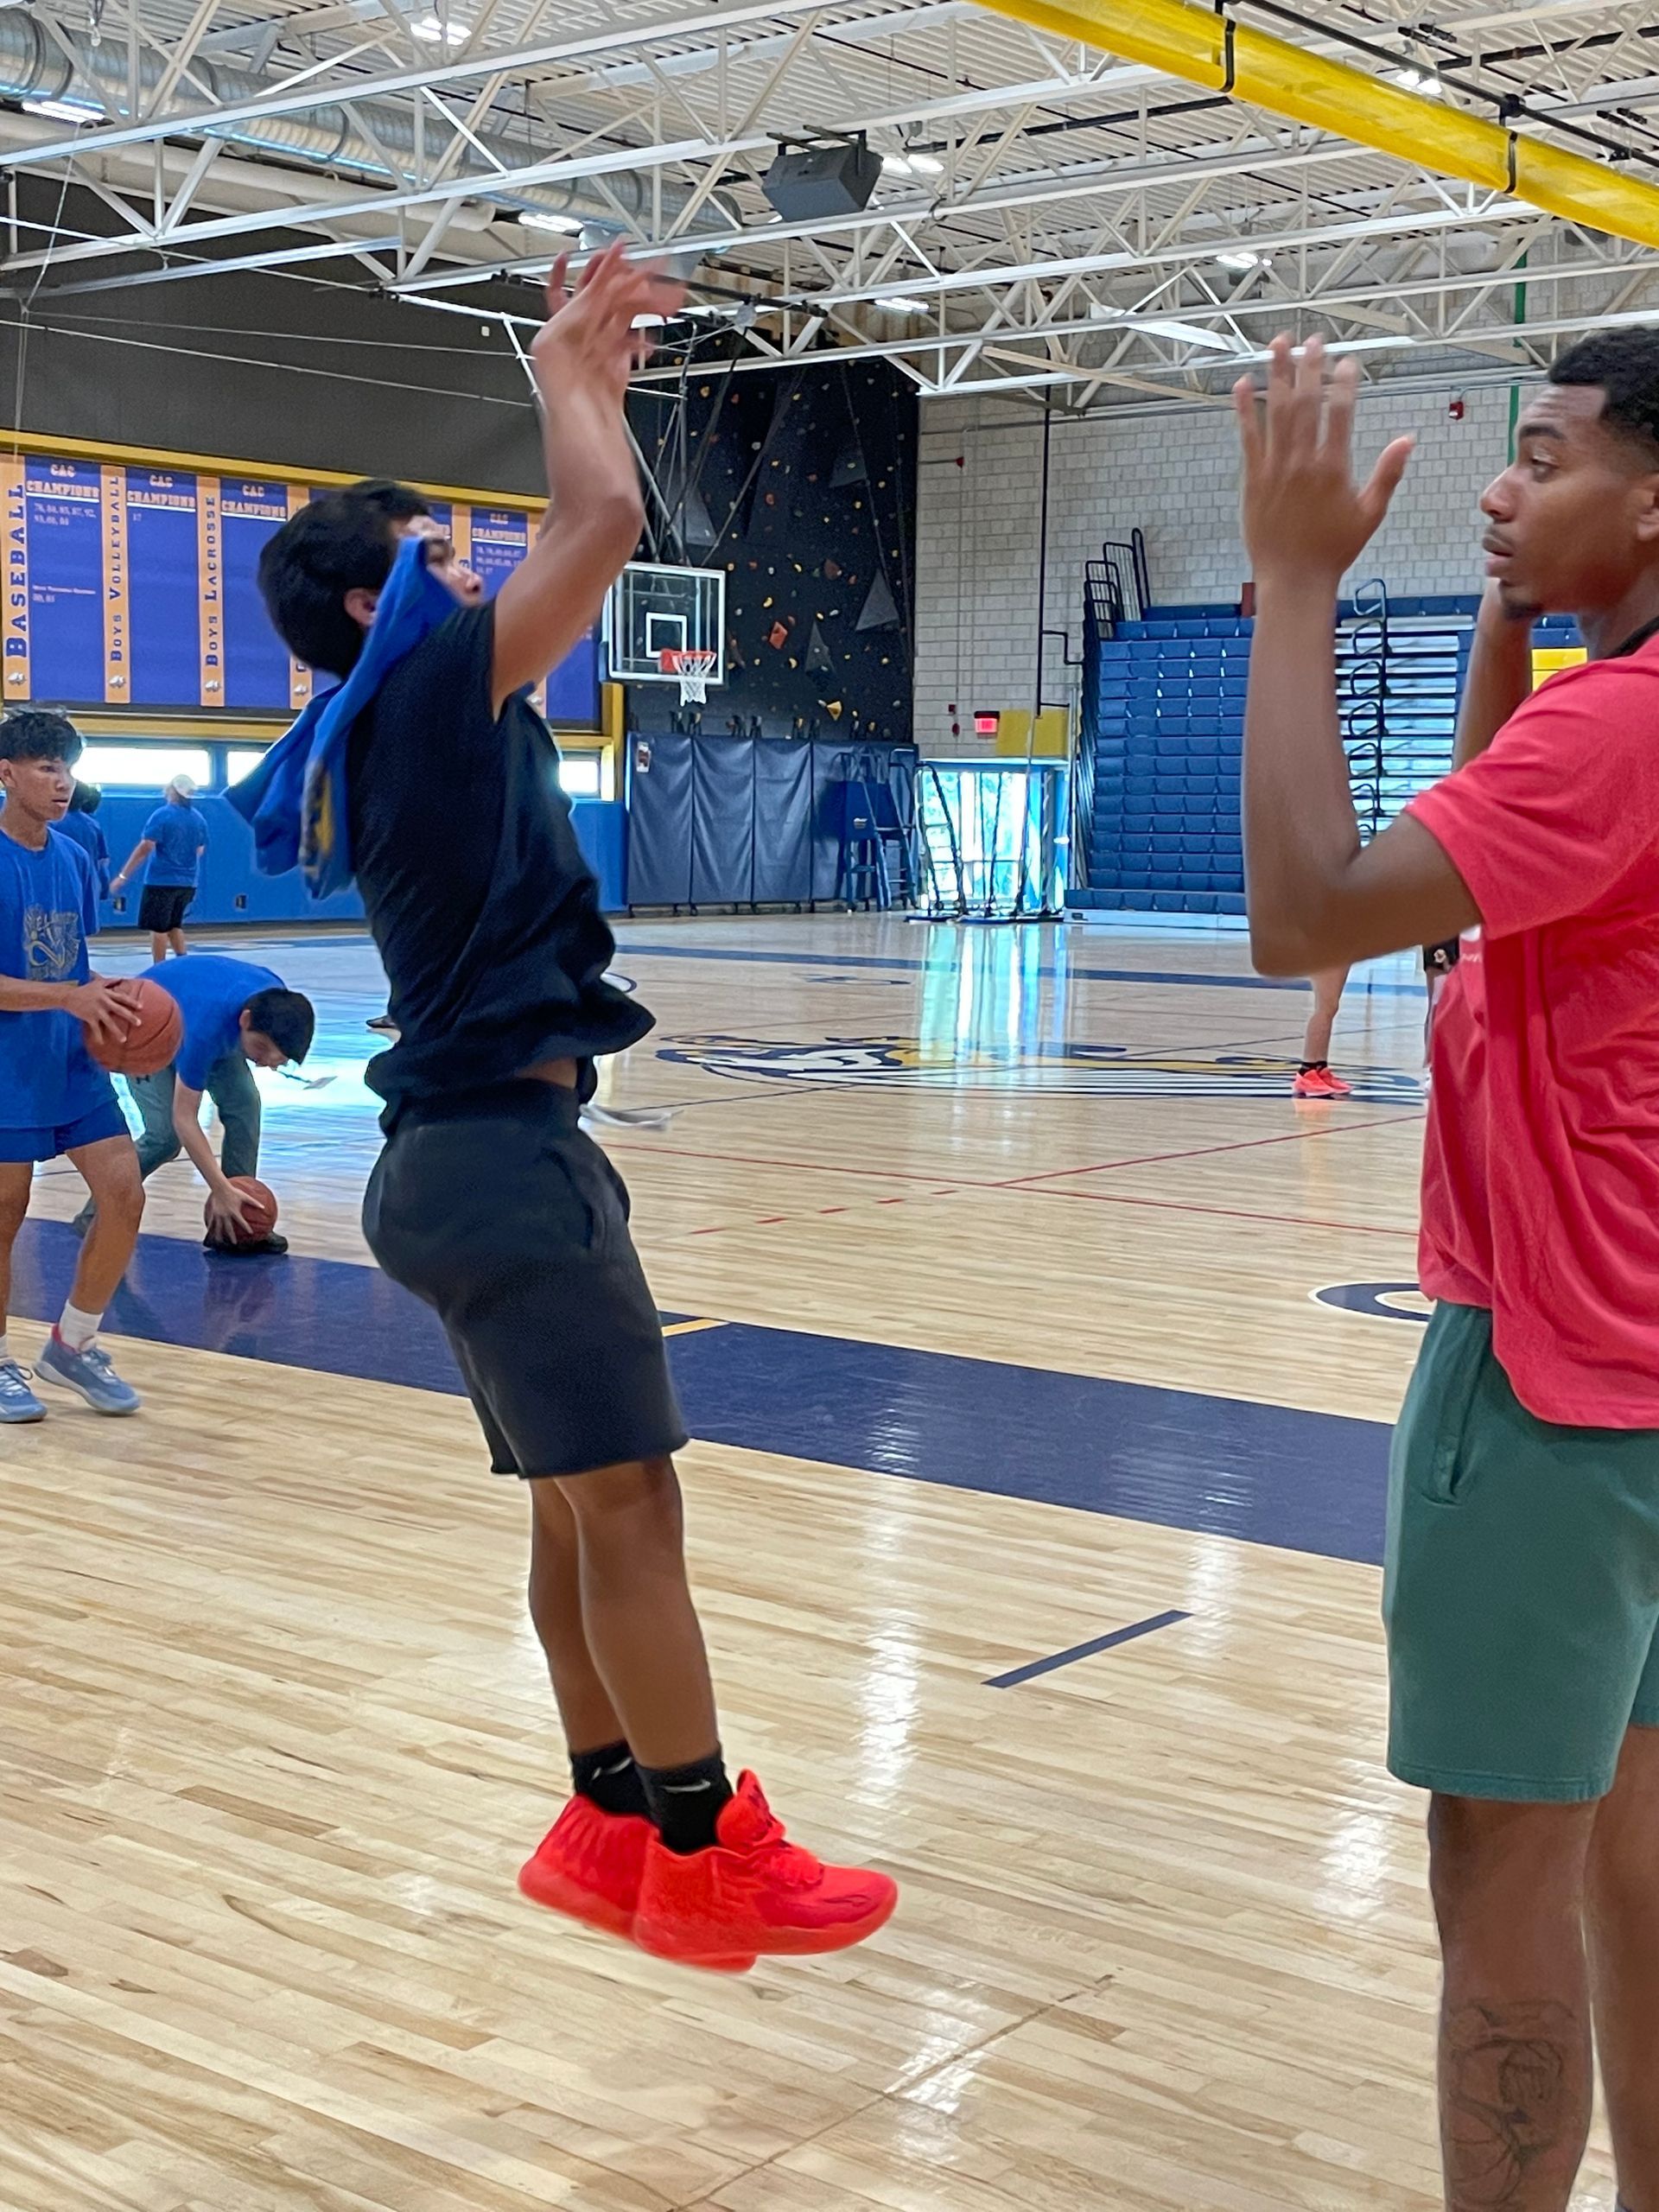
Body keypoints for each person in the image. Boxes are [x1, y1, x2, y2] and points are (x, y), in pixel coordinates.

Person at [244, 245, 896, 1973]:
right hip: (501, 1168)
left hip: (455, 1165)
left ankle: (608, 1815)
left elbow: (573, 537)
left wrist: (591, 387)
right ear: (390, 602)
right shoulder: (426, 694)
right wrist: (568, 379)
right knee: (632, 1514)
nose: (476, 566)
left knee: (572, 1507)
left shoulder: (401, 717)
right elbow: (601, 526)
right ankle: (697, 1849)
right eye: (440, 555)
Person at [1234, 326, 1659, 2212]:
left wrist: (1295, 575)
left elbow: (1306, 910)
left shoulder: (1617, 735)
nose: (1500, 484)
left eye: (1546, 458)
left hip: (1555, 1389)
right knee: (1644, 1875)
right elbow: (1491, 880)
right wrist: (1523, 615)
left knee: (1506, 1885)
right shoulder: (1609, 729)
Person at [0, 710, 145, 1421]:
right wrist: (67, 994)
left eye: (67, 769)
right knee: (5, 1215)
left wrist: (106, 995)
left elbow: (65, 961)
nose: (62, 783)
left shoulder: (73, 858)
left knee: (124, 1192)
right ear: (7, 774)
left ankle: (72, 1345)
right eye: (45, 768)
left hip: (70, 1062)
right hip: (5, 1067)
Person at [70, 952, 314, 1256]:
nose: (265, 1062)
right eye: (261, 1050)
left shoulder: (275, 1001)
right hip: (144, 1030)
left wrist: (229, 1190)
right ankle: (95, 1215)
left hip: (202, 1018)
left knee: (246, 1106)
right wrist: (219, 1188)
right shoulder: (206, 1029)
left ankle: (239, 1223)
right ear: (246, 1019)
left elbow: (259, 1042)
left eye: (276, 1060)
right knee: (164, 1138)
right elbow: (184, 1118)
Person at [112, 772, 209, 958]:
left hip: (161, 880)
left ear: (172, 790)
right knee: (174, 925)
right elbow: (200, 850)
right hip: (188, 883)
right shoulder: (199, 819)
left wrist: (123, 875)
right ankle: (183, 962)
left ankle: (159, 968)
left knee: (158, 929)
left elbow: (145, 847)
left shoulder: (162, 815)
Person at [1292, 964, 1351, 1097]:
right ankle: (1307, 1070)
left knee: (1331, 1008)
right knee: (1325, 1008)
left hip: (1342, 949)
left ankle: (1321, 1068)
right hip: (1325, 951)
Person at [54, 779, 111, 898]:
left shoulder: (52, 824)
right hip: (88, 884)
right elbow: (102, 861)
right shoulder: (93, 826)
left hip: (60, 882)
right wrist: (104, 886)